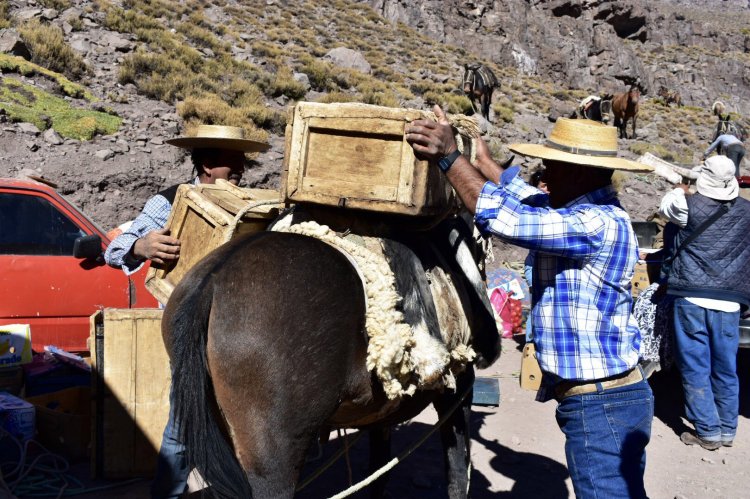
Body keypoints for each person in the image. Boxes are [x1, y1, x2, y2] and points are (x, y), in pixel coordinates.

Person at [406, 108, 654, 498]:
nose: (544, 175)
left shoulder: (596, 223)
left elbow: (507, 220)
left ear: (579, 173)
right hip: (608, 399)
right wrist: (484, 163)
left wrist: (449, 157)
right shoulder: (582, 210)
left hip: (600, 403)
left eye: (553, 166)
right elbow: (529, 199)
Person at [105, 124, 268, 498]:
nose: (241, 168)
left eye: (242, 161)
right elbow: (115, 250)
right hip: (190, 329)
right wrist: (141, 247)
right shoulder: (169, 201)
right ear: (207, 164)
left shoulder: (251, 203)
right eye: (232, 162)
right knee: (184, 421)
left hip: (243, 329)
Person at [658, 155, 750, 451]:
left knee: (696, 364)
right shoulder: (748, 211)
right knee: (726, 366)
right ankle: (727, 429)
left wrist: (685, 182)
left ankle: (707, 430)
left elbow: (667, 203)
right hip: (731, 302)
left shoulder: (686, 205)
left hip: (692, 297)